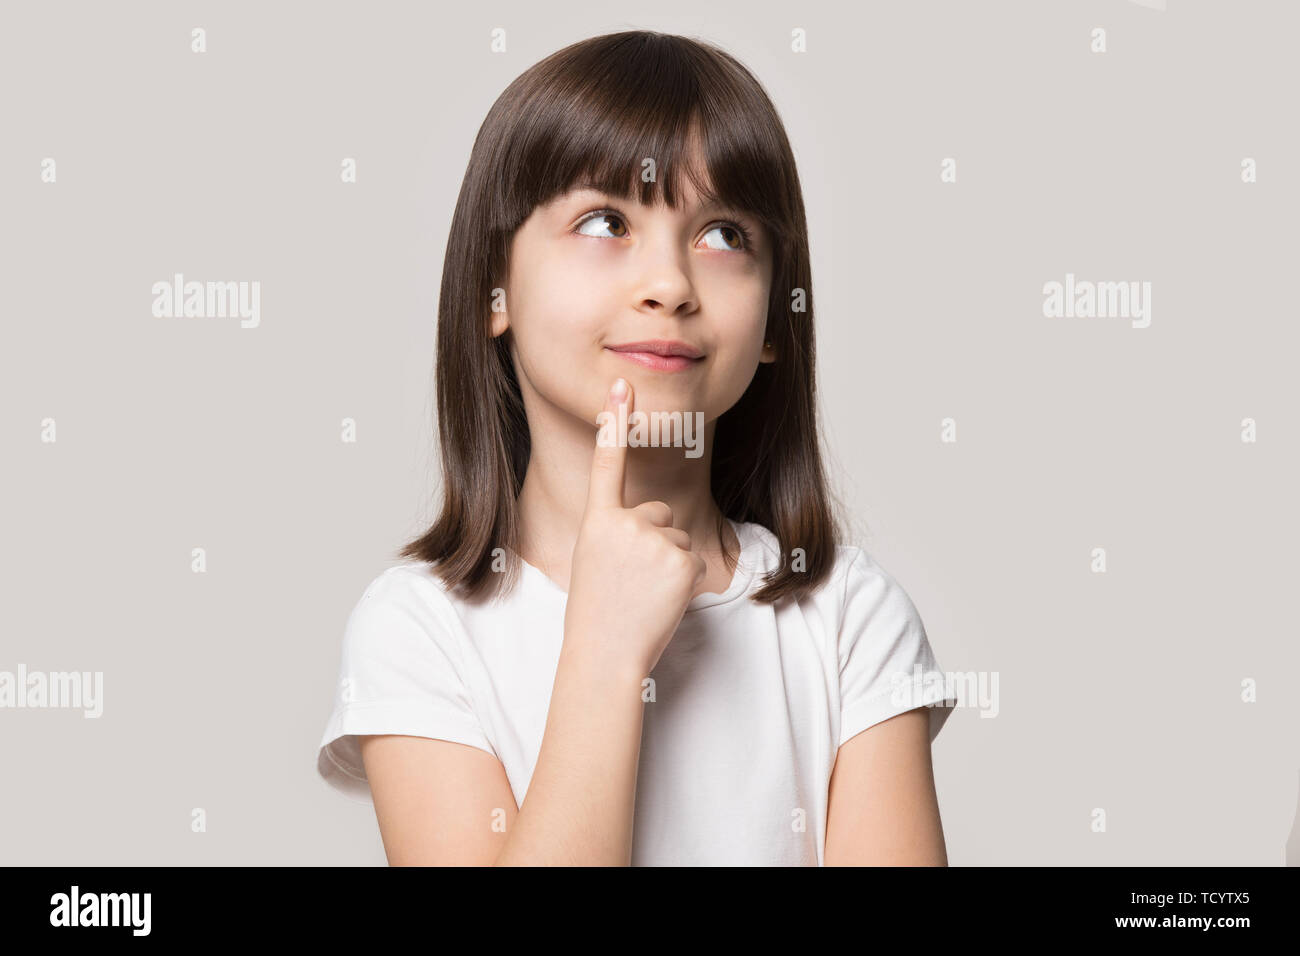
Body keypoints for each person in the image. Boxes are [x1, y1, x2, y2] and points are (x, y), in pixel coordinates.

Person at [316, 29, 957, 865]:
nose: (670, 285)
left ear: (772, 324)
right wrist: (605, 653)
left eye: (725, 235)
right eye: (604, 220)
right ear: (492, 292)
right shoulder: (419, 630)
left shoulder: (847, 620)